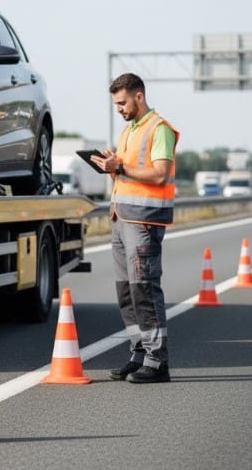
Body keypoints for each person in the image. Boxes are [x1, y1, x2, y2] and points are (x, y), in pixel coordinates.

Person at [92, 72, 179, 384]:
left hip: (144, 220)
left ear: (138, 96)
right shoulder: (129, 131)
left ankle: (157, 361)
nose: (118, 109)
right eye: (116, 104)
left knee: (145, 290)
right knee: (127, 291)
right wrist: (112, 167)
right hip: (121, 218)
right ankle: (139, 354)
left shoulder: (160, 129)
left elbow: (159, 174)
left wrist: (121, 167)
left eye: (122, 103)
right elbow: (128, 173)